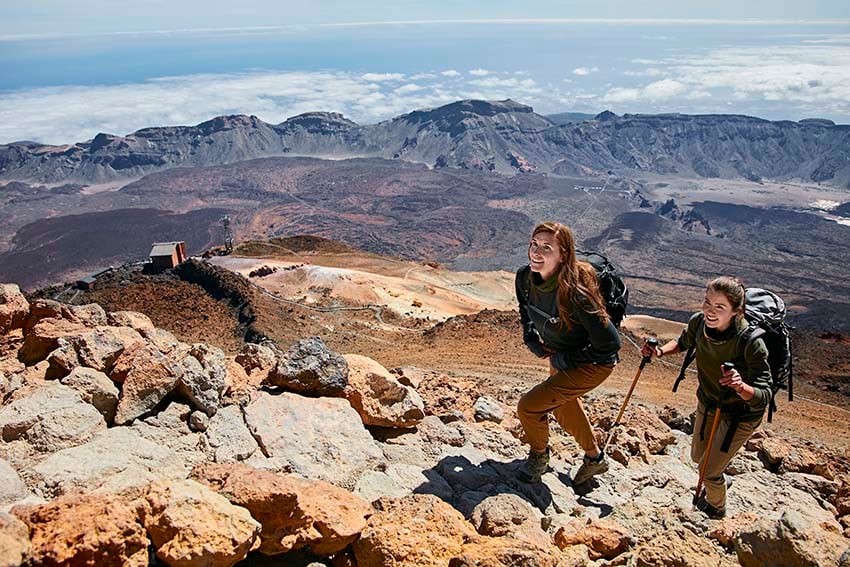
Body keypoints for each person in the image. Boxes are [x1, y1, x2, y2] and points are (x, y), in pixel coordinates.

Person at [641, 276, 772, 519]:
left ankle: (716, 508)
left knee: (708, 472)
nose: (710, 312)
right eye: (707, 303)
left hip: (740, 415)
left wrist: (740, 386)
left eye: (720, 307)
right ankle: (720, 477)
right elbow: (682, 343)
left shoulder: (751, 343)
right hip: (709, 401)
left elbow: (764, 396)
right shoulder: (699, 323)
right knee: (697, 457)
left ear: (736, 311)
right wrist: (659, 352)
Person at [515, 222, 621, 484]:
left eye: (547, 248)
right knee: (562, 408)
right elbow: (525, 308)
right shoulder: (525, 278)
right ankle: (595, 459)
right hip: (562, 354)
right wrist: (531, 338)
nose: (536, 252)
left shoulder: (576, 292)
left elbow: (610, 344)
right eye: (534, 244)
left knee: (529, 407)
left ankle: (538, 456)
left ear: (563, 255)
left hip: (593, 363)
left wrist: (566, 359)